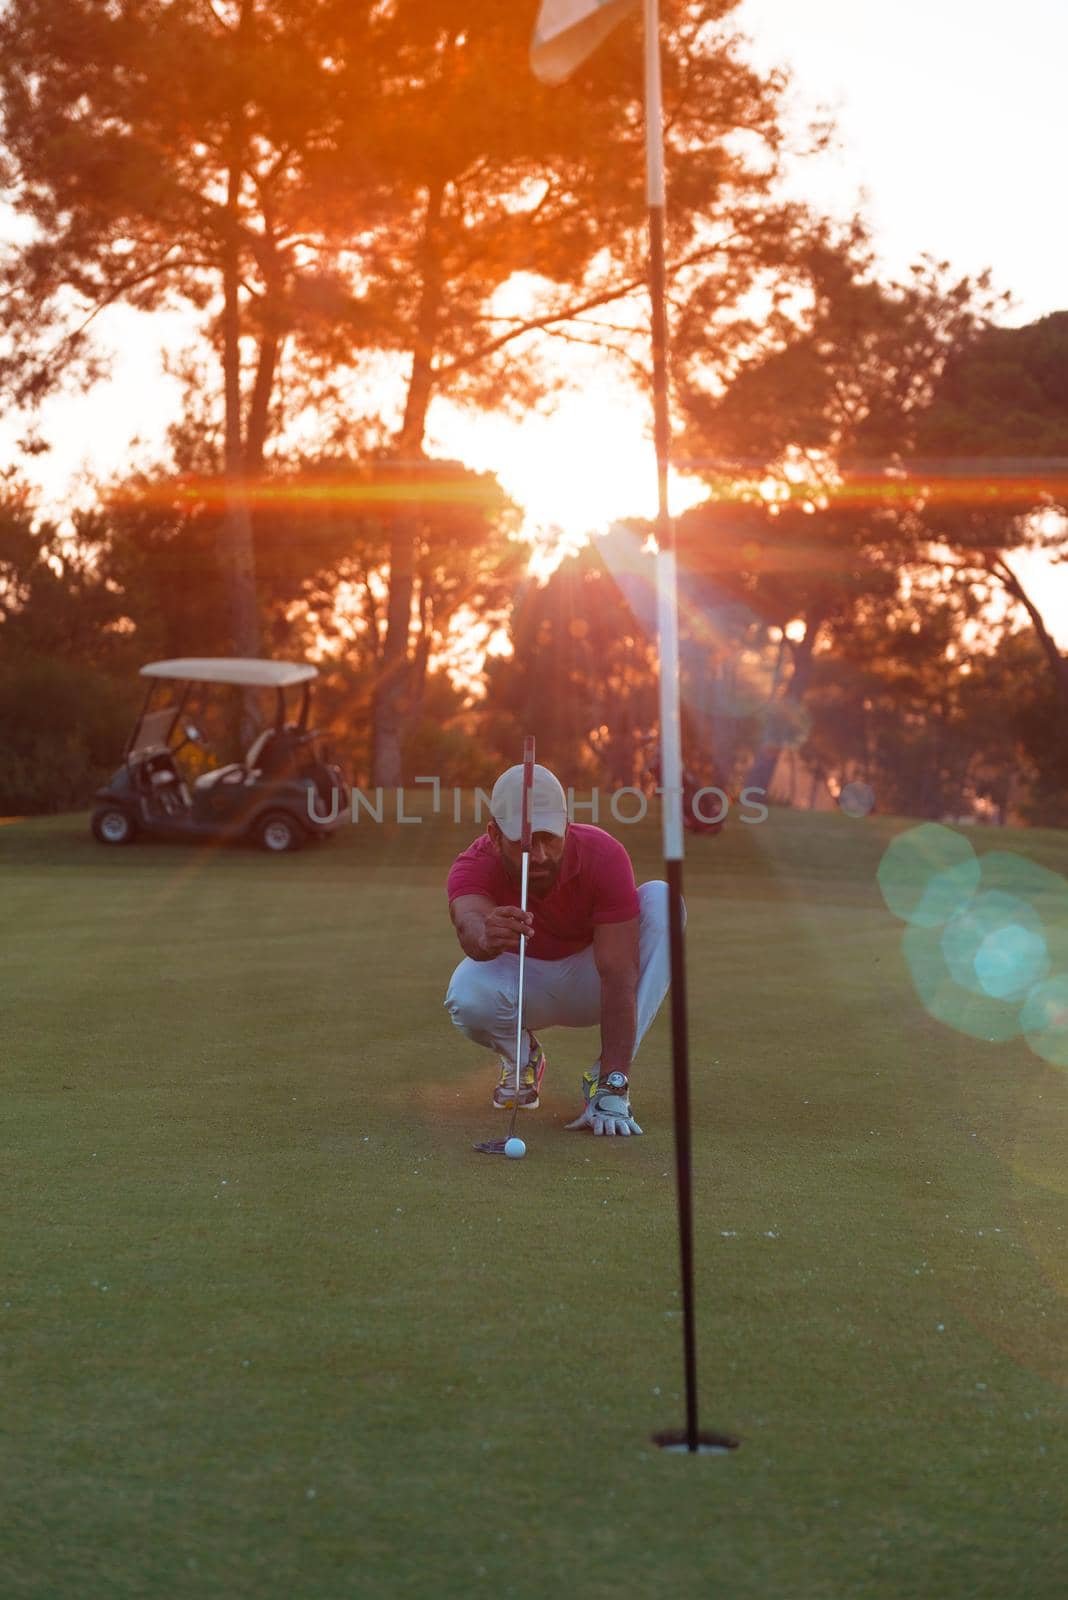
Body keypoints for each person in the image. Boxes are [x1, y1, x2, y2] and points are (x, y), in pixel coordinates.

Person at [444, 761, 677, 1137]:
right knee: (466, 993)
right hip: (523, 982)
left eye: (549, 838)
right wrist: (485, 935)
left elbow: (618, 974)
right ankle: (523, 1058)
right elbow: (468, 922)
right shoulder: (473, 865)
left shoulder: (603, 854)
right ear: (493, 834)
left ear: (567, 827)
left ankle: (605, 1085)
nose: (538, 855)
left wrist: (614, 1079)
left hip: (593, 981)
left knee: (663, 901)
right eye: (523, 841)